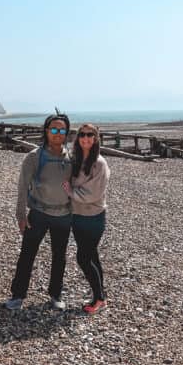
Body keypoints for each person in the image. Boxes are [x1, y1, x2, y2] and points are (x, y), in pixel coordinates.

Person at [5, 113, 72, 311]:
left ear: (66, 133)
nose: (57, 133)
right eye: (53, 129)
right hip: (38, 214)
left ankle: (55, 294)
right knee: (27, 254)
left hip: (64, 216)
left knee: (59, 256)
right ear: (46, 131)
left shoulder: (71, 157)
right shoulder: (34, 157)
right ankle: (17, 295)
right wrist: (21, 216)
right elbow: (22, 187)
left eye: (61, 130)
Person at [63, 123, 110, 314]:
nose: (86, 138)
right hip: (77, 216)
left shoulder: (99, 163)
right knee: (92, 255)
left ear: (96, 138)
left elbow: (94, 194)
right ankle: (101, 295)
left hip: (93, 217)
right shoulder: (75, 159)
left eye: (90, 134)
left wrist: (71, 193)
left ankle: (99, 299)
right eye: (82, 134)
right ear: (78, 137)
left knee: (83, 258)